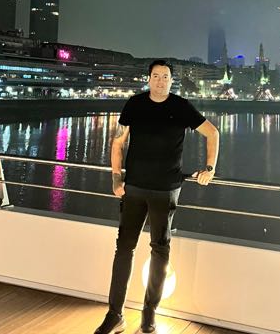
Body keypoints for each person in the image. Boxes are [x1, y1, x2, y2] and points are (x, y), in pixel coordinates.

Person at [94, 59, 220, 334]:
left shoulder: (181, 106)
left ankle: (149, 312)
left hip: (166, 189)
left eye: (165, 77)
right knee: (124, 249)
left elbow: (212, 133)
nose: (160, 81)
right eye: (156, 76)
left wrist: (209, 169)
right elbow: (118, 142)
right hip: (134, 188)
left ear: (171, 81)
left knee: (160, 250)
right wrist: (116, 178)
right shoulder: (135, 104)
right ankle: (115, 314)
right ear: (149, 79)